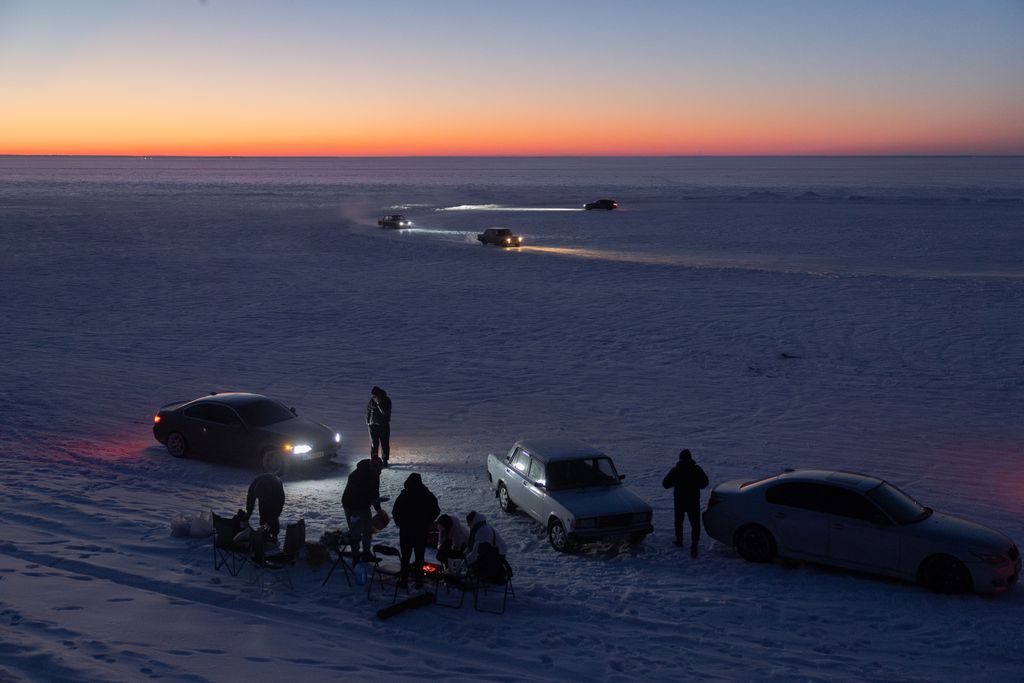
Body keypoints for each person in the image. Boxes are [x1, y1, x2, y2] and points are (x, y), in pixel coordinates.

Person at [391, 473, 440, 588]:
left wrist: (401, 524)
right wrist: (427, 521)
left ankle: (404, 579)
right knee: (419, 557)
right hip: (420, 530)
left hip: (406, 531)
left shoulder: (404, 495)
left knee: (405, 557)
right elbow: (436, 510)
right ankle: (419, 580)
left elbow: (395, 512)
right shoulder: (427, 494)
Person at [661, 448, 709, 558]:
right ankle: (694, 545)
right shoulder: (696, 469)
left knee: (679, 522)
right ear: (690, 458)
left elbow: (665, 484)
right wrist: (696, 484)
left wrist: (676, 482)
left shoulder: (676, 470)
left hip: (679, 501)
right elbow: (705, 483)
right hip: (693, 501)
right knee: (695, 524)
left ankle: (679, 540)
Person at [342, 458, 384, 562]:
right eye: (377, 470)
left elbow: (375, 492)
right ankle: (355, 556)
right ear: (371, 467)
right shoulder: (356, 476)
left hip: (364, 505)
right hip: (352, 507)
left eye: (380, 470)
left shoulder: (375, 474)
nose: (379, 472)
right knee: (355, 532)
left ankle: (366, 553)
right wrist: (370, 500)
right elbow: (355, 496)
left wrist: (378, 509)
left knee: (368, 530)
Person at [244, 473, 285, 542]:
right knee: (263, 512)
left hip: (275, 487)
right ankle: (264, 534)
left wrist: (270, 523)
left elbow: (277, 510)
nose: (262, 500)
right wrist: (248, 514)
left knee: (272, 514)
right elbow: (250, 502)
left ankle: (274, 535)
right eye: (260, 498)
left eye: (263, 498)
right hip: (264, 487)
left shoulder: (278, 491)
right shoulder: (253, 487)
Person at [367, 386, 392, 466]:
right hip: (373, 425)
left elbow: (385, 412)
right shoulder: (372, 400)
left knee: (384, 443)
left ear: (379, 394)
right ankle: (374, 459)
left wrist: (379, 403)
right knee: (374, 443)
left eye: (375, 395)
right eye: (373, 396)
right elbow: (368, 410)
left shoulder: (386, 400)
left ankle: (385, 460)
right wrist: (368, 421)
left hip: (383, 425)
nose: (373, 397)